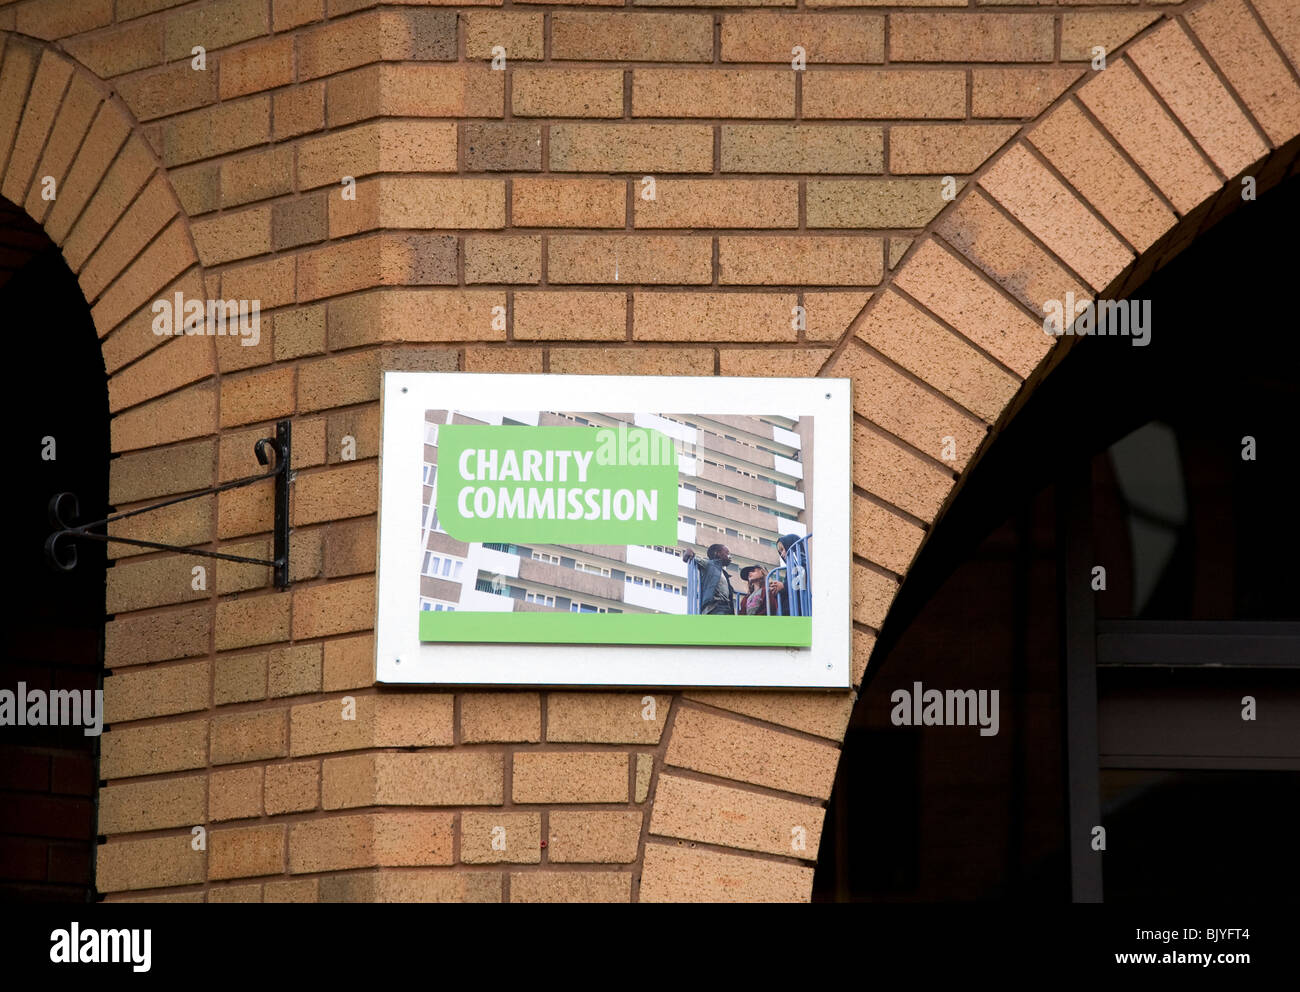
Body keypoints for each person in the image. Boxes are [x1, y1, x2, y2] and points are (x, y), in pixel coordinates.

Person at [681, 543, 738, 615]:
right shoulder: (709, 564)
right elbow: (689, 556)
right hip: (715, 607)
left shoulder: (724, 573)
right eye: (727, 553)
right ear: (717, 553)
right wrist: (689, 551)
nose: (730, 556)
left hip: (726, 608)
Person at [768, 534, 807, 616]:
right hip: (790, 610)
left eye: (783, 549)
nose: (782, 554)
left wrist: (783, 586)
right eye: (780, 552)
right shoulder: (790, 568)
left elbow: (801, 582)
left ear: (790, 546)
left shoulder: (801, 560)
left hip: (799, 611)